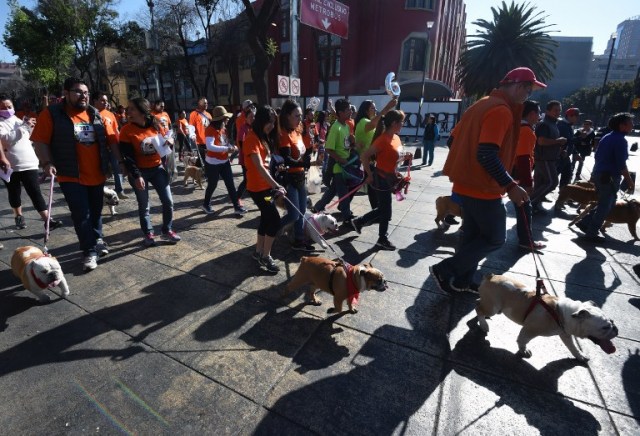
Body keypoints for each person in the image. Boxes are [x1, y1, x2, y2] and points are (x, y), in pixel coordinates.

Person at [429, 67, 542, 294]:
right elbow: (487, 153)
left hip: (466, 185)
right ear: (519, 86)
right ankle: (446, 270)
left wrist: (467, 167)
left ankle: (462, 281)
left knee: (471, 237)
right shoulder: (501, 110)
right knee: (494, 239)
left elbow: (454, 141)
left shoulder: (481, 104)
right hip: (484, 188)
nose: (527, 97)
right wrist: (510, 185)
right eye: (528, 91)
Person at [32, 77, 118, 271]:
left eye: (86, 92)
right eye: (78, 92)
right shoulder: (52, 114)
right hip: (71, 175)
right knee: (81, 214)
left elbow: (109, 141)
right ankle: (88, 252)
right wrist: (46, 163)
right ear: (66, 93)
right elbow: (40, 141)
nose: (83, 96)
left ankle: (97, 240)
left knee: (95, 213)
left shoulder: (95, 114)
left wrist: (116, 163)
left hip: (96, 174)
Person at [117, 97, 181, 247]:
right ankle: (148, 233)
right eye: (128, 109)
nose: (128, 111)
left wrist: (170, 140)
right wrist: (137, 175)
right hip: (139, 172)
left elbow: (169, 134)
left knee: (168, 201)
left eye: (132, 109)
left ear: (141, 111)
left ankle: (167, 230)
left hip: (158, 168)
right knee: (144, 205)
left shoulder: (155, 124)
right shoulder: (126, 130)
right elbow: (128, 157)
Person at [0, 94, 63, 230]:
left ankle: (47, 219)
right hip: (11, 165)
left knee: (35, 192)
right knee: (14, 192)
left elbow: (31, 137)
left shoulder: (18, 119)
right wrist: (24, 127)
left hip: (29, 163)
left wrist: (31, 127)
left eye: (9, 106)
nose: (7, 109)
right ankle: (18, 216)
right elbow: (5, 139)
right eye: (3, 108)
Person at [351, 110, 408, 250]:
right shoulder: (382, 140)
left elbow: (396, 157)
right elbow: (364, 156)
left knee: (383, 210)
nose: (403, 124)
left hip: (391, 179)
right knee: (386, 211)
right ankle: (382, 238)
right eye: (402, 122)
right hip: (381, 179)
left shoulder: (396, 138)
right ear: (394, 123)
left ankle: (360, 222)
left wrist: (406, 156)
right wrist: (369, 175)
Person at [575, 112, 635, 242]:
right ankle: (591, 233)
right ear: (622, 125)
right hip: (609, 177)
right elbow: (621, 165)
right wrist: (630, 182)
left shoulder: (607, 137)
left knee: (606, 203)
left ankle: (585, 222)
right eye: (630, 123)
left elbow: (597, 156)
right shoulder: (620, 140)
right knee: (606, 205)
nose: (632, 126)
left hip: (600, 174)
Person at [243, 105, 285, 273]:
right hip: (257, 189)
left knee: (266, 218)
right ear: (260, 121)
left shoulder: (263, 138)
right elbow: (259, 167)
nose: (271, 126)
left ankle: (258, 252)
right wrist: (277, 185)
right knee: (274, 220)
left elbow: (267, 164)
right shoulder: (251, 139)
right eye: (269, 122)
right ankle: (265, 256)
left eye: (273, 122)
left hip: (265, 187)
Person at [312, 98, 358, 225]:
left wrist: (352, 143)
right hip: (339, 167)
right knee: (343, 193)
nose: (351, 111)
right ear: (340, 112)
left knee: (332, 190)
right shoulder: (335, 127)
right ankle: (347, 217)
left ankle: (318, 207)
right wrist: (341, 160)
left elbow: (346, 144)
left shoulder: (346, 126)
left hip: (346, 165)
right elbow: (329, 149)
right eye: (348, 109)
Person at [278, 99, 313, 251]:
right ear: (287, 116)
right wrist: (303, 164)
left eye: (300, 115)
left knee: (302, 212)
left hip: (301, 178)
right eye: (296, 116)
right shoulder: (284, 134)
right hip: (289, 179)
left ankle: (299, 240)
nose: (300, 119)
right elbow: (287, 159)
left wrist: (309, 156)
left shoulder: (297, 131)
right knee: (294, 215)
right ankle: (272, 228)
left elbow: (304, 152)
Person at [200, 105, 247, 216]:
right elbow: (210, 147)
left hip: (224, 161)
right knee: (212, 184)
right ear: (220, 119)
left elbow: (225, 143)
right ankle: (206, 204)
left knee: (230, 184)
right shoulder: (210, 130)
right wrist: (227, 149)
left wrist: (231, 147)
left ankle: (237, 207)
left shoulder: (223, 129)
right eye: (225, 118)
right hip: (212, 163)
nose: (227, 120)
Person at [512, 100, 546, 250]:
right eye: (538, 113)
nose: (539, 117)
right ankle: (526, 241)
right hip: (518, 174)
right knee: (525, 207)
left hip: (510, 171)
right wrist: (528, 182)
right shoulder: (526, 130)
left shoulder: (516, 126)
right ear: (532, 113)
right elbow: (523, 157)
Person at [354, 98, 398, 209]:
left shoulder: (370, 120)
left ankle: (375, 210)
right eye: (372, 108)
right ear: (365, 111)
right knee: (371, 186)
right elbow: (373, 125)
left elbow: (379, 122)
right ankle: (375, 211)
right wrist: (387, 107)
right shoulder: (363, 121)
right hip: (364, 159)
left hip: (369, 160)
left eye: (375, 108)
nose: (375, 110)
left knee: (367, 186)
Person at [529, 100, 567, 213]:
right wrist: (558, 141)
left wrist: (559, 150)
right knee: (552, 182)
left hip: (548, 158)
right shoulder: (545, 124)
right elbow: (541, 141)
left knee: (540, 184)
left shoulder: (553, 123)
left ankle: (533, 206)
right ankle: (528, 203)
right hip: (544, 158)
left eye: (559, 110)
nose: (558, 112)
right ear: (548, 111)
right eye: (555, 110)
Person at [91, 92, 128, 200]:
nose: (105, 102)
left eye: (106, 100)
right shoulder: (91, 114)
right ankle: (101, 192)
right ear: (95, 101)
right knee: (102, 170)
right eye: (102, 100)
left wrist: (119, 141)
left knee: (117, 168)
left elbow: (115, 129)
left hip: (113, 146)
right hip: (100, 148)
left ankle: (120, 190)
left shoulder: (110, 114)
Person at [236, 104, 255, 201]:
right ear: (246, 118)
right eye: (250, 117)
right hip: (245, 159)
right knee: (246, 179)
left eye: (254, 116)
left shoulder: (255, 128)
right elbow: (241, 142)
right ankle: (237, 197)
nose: (253, 118)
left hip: (255, 158)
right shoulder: (243, 128)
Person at [557, 107, 580, 188]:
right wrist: (580, 137)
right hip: (560, 155)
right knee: (553, 177)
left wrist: (575, 153)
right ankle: (538, 195)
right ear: (570, 116)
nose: (578, 118)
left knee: (567, 174)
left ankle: (563, 194)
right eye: (576, 116)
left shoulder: (568, 125)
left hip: (565, 156)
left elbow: (570, 142)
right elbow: (567, 140)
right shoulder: (563, 125)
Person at [188, 97, 211, 167]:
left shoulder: (208, 115)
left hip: (209, 140)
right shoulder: (194, 114)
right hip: (200, 141)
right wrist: (192, 135)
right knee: (202, 158)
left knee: (208, 159)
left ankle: (199, 171)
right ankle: (200, 172)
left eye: (207, 103)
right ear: (199, 104)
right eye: (205, 103)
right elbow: (191, 126)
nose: (206, 104)